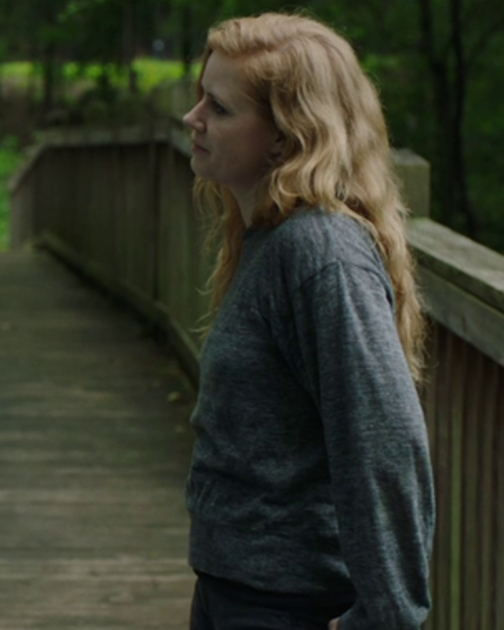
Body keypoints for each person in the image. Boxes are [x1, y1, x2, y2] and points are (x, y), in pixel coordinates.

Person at [180, 13, 434, 630]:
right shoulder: (271, 237)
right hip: (239, 586)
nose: (193, 118)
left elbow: (384, 439)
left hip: (287, 603)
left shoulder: (320, 251)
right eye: (201, 98)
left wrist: (386, 616)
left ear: (286, 138)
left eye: (219, 107)